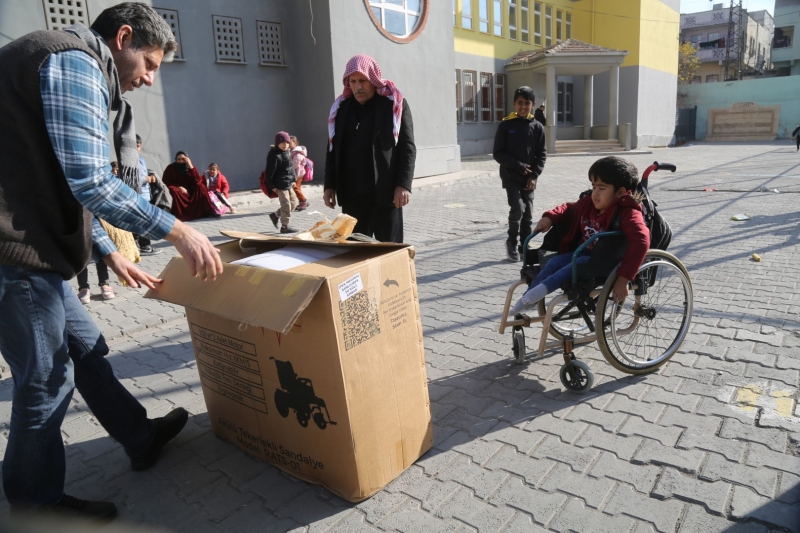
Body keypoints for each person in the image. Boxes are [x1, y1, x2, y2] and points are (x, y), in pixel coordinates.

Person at [0, 2, 223, 523]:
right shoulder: (75, 60)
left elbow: (61, 176)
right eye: (149, 64)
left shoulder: (68, 63)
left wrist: (103, 250)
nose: (147, 80)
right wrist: (177, 230)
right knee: (45, 380)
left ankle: (140, 439)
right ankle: (35, 507)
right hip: (14, 253)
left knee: (87, 349)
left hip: (32, 249)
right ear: (123, 37)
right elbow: (91, 180)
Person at [508, 156, 650, 316]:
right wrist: (550, 217)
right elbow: (569, 208)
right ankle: (529, 297)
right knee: (554, 262)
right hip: (585, 253)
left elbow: (642, 239)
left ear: (621, 192)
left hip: (606, 260)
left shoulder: (628, 212)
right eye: (594, 186)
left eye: (602, 188)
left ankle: (533, 296)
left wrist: (624, 279)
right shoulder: (588, 203)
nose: (595, 193)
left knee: (569, 268)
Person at [324, 54, 416, 243]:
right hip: (352, 199)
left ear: (373, 80)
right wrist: (329, 186)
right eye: (353, 81)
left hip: (386, 196)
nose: (358, 86)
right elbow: (332, 150)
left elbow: (407, 148)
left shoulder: (394, 106)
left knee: (389, 252)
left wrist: (403, 185)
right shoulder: (340, 110)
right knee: (355, 255)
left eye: (363, 81)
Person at [493, 86, 547, 263]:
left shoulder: (537, 127)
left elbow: (541, 154)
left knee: (528, 213)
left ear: (533, 105)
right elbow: (498, 153)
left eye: (527, 103)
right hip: (511, 176)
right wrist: (518, 166)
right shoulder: (506, 126)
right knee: (517, 207)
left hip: (529, 179)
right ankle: (511, 241)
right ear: (514, 104)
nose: (523, 106)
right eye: (520, 103)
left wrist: (534, 176)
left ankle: (524, 245)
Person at [162, 151, 216, 221]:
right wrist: (179, 187)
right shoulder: (171, 168)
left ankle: (207, 211)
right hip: (179, 190)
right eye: (179, 159)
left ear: (187, 159)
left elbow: (198, 180)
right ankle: (181, 215)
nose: (181, 161)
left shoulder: (190, 167)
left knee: (200, 186)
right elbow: (165, 181)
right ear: (176, 159)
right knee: (173, 189)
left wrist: (190, 165)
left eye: (183, 159)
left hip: (191, 190)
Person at [266, 131, 299, 233]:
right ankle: (284, 227)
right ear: (277, 143)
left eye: (287, 142)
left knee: (294, 203)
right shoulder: (274, 155)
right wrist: (272, 186)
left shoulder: (287, 152)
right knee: (286, 205)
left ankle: (275, 215)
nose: (285, 145)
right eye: (283, 142)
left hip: (288, 183)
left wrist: (294, 179)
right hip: (280, 185)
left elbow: (291, 168)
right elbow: (269, 172)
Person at [135, 134, 160, 254]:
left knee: (145, 221)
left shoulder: (142, 160)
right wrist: (146, 179)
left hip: (145, 196)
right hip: (137, 196)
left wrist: (151, 177)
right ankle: (144, 246)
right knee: (143, 222)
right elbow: (131, 179)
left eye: (138, 146)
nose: (136, 149)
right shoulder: (127, 161)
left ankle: (140, 246)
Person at [289, 135, 310, 211]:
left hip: (297, 174)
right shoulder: (292, 152)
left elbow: (294, 165)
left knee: (295, 188)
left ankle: (304, 201)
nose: (288, 144)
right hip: (297, 173)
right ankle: (302, 202)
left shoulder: (297, 153)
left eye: (290, 142)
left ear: (295, 143)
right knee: (297, 188)